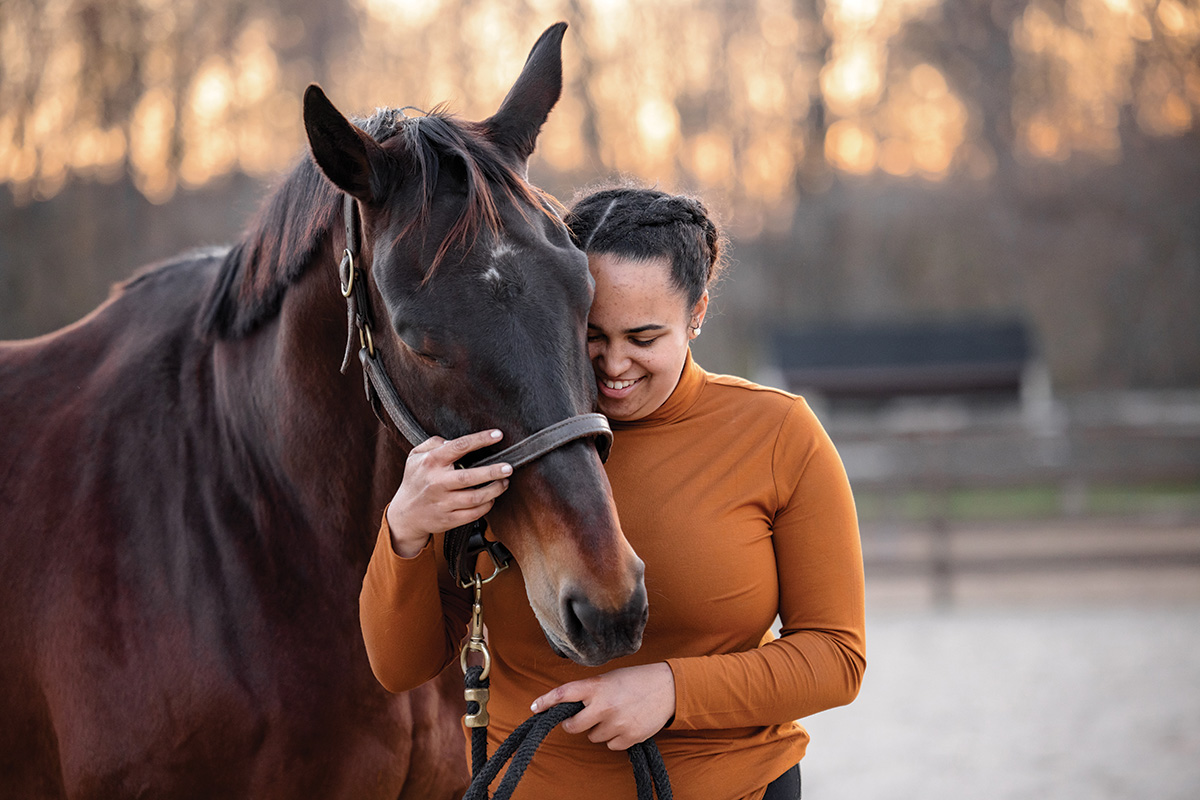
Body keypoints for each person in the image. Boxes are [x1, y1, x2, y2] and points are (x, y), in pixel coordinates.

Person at [359, 185, 865, 800]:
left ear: (698, 313)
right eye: (592, 335)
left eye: (644, 338)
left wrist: (672, 692)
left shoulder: (779, 435)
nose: (614, 365)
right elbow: (399, 667)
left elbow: (836, 657)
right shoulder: (501, 439)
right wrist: (405, 530)